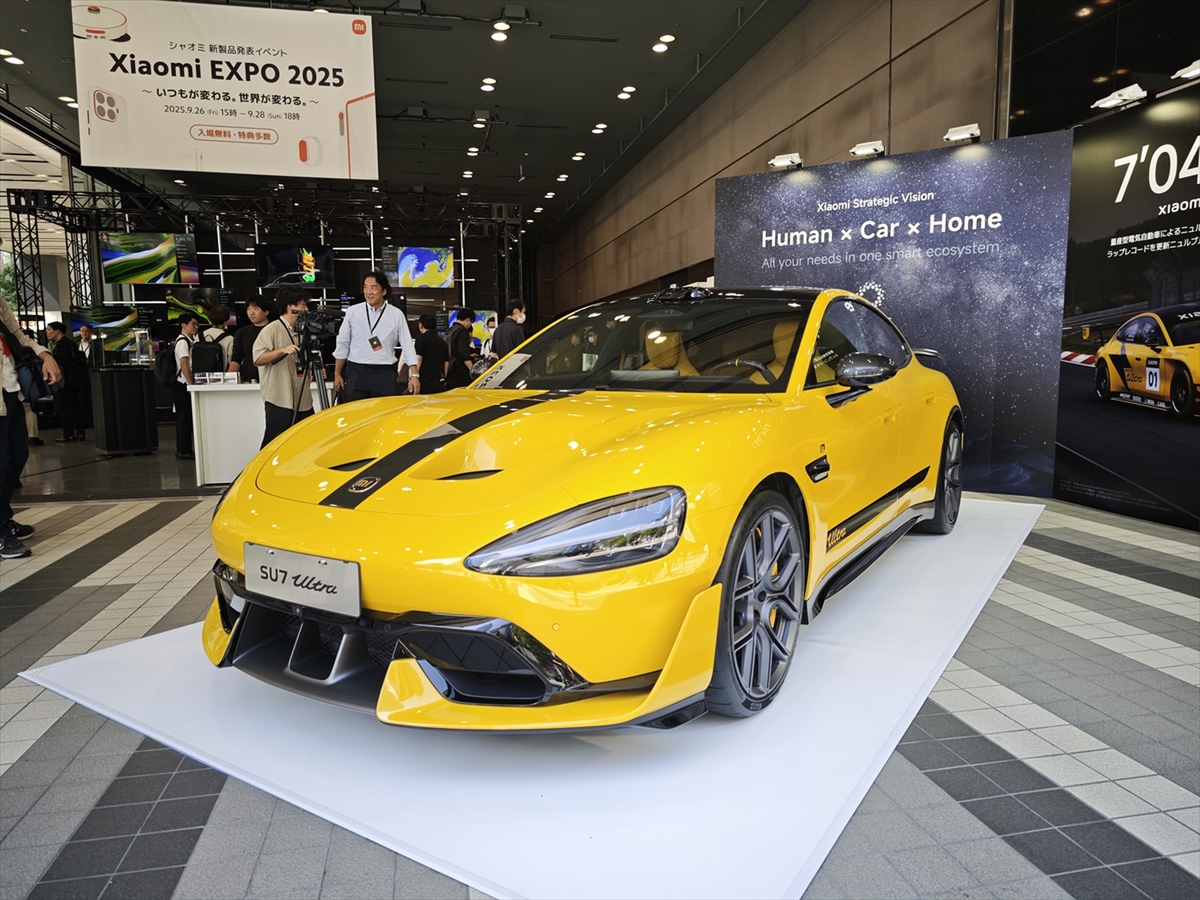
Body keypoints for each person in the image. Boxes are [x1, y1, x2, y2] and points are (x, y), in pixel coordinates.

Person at [0, 300, 62, 559]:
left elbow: (17, 334)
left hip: (10, 389)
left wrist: (45, 354)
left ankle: (3, 517)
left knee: (17, 455)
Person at [333, 271, 420, 401]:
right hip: (356, 372)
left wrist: (414, 375)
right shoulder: (353, 312)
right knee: (355, 411)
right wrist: (337, 373)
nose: (368, 292)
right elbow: (343, 343)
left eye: (373, 288)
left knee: (384, 412)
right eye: (365, 287)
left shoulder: (396, 314)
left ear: (384, 291)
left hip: (384, 374)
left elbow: (407, 345)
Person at [253, 286, 314, 447]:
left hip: (303, 399)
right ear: (290, 306)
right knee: (274, 445)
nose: (306, 309)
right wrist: (281, 350)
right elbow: (258, 358)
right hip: (279, 399)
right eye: (303, 304)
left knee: (306, 444)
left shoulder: (303, 330)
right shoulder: (271, 329)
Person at [45, 322, 86, 443]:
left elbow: (61, 363)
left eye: (49, 330)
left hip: (65, 380)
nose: (47, 333)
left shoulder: (61, 346)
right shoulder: (71, 343)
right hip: (75, 379)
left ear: (57, 331)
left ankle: (68, 434)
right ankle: (80, 432)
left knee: (65, 406)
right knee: (76, 405)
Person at [173, 313, 201, 460]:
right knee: (185, 418)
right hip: (183, 384)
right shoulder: (183, 342)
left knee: (184, 418)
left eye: (197, 324)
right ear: (183, 325)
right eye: (193, 324)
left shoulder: (188, 341)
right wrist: (191, 384)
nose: (196, 327)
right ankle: (184, 450)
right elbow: (184, 364)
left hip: (183, 384)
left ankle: (183, 448)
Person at [228, 297, 271, 383]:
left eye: (256, 308)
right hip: (249, 381)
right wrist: (229, 381)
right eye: (248, 309)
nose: (251, 313)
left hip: (272, 379)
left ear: (266, 312)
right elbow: (236, 359)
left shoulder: (275, 330)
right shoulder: (241, 333)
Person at [414, 314, 449, 395]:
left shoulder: (420, 339)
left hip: (424, 380)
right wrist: (444, 377)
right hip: (438, 380)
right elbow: (446, 363)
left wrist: (415, 375)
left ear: (421, 325)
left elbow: (419, 358)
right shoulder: (442, 342)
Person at [444, 308, 477, 389]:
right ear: (468, 320)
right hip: (460, 372)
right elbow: (464, 355)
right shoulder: (462, 331)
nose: (470, 325)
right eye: (471, 322)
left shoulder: (450, 330)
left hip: (450, 369)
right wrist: (474, 372)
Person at [199, 304, 235, 369]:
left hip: (200, 374)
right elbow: (231, 361)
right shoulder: (229, 339)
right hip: (220, 374)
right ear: (225, 322)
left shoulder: (199, 336)